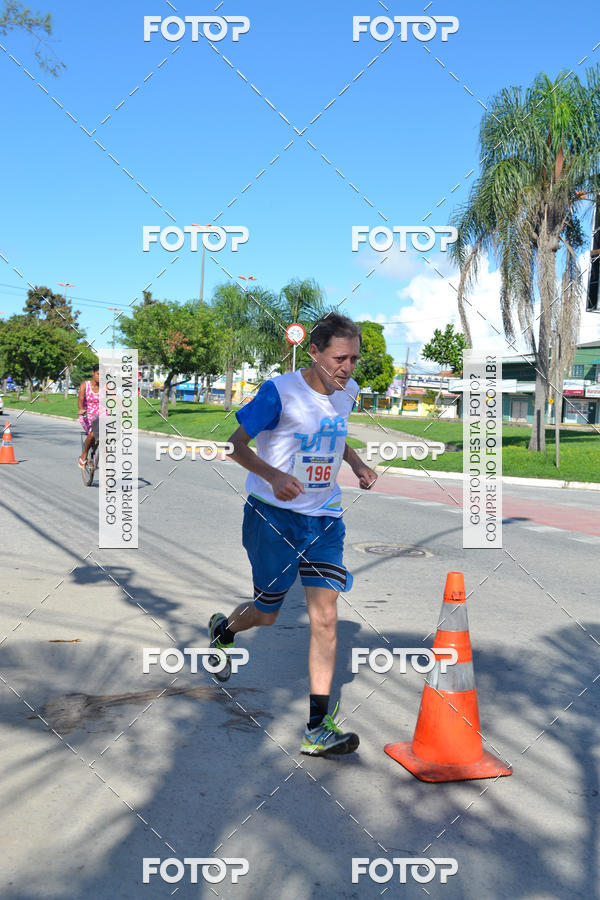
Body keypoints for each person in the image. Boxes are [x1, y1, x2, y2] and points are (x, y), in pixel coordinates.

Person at [209, 313, 377, 756]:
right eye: (340, 358)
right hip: (272, 517)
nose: (348, 368)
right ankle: (225, 629)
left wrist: (356, 464)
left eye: (354, 359)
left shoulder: (347, 393)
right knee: (267, 613)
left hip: (324, 517)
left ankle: (317, 729)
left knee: (324, 618)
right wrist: (274, 475)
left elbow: (334, 433)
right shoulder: (279, 392)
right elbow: (235, 445)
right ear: (315, 352)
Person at [78, 364, 100, 468]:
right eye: (98, 374)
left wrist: (122, 407)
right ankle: (84, 455)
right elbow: (81, 398)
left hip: (101, 413)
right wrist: (81, 409)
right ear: (93, 373)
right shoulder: (85, 385)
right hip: (87, 413)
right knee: (92, 434)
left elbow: (114, 396)